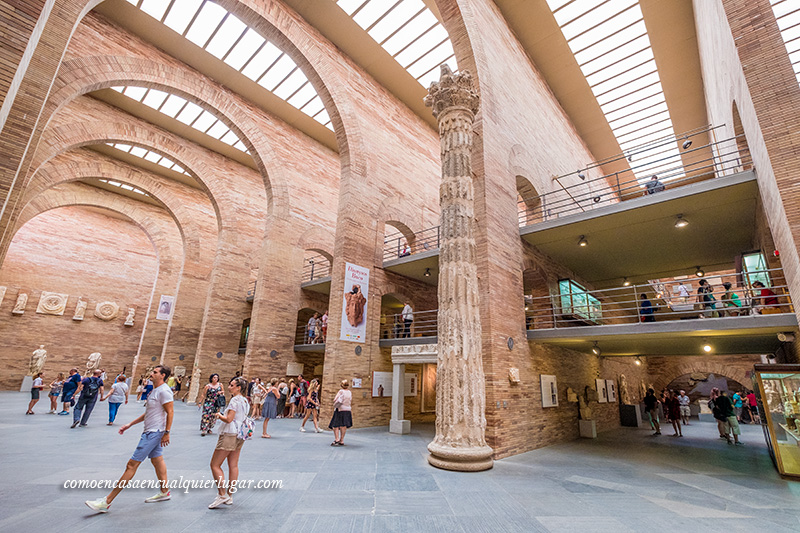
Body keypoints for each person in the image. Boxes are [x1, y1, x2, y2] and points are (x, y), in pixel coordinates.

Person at [84, 365, 174, 513]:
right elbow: (149, 413)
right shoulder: (155, 390)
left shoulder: (164, 391)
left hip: (154, 433)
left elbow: (170, 412)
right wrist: (130, 424)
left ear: (163, 376)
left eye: (155, 372)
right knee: (157, 460)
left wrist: (167, 432)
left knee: (131, 465)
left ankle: (107, 501)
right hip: (151, 431)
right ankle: (165, 492)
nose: (151, 373)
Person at [209, 376, 249, 509]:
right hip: (240, 434)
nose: (229, 387)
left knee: (215, 464)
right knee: (233, 465)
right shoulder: (245, 401)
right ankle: (230, 495)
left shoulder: (234, 401)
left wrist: (219, 415)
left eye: (232, 385)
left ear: (238, 388)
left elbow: (229, 419)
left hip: (230, 434)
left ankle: (222, 494)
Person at [329, 379, 353, 445]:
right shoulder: (349, 392)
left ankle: (337, 439)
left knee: (335, 425)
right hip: (347, 410)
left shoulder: (341, 391)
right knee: (343, 425)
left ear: (341, 385)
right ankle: (341, 440)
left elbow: (335, 399)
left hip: (340, 410)